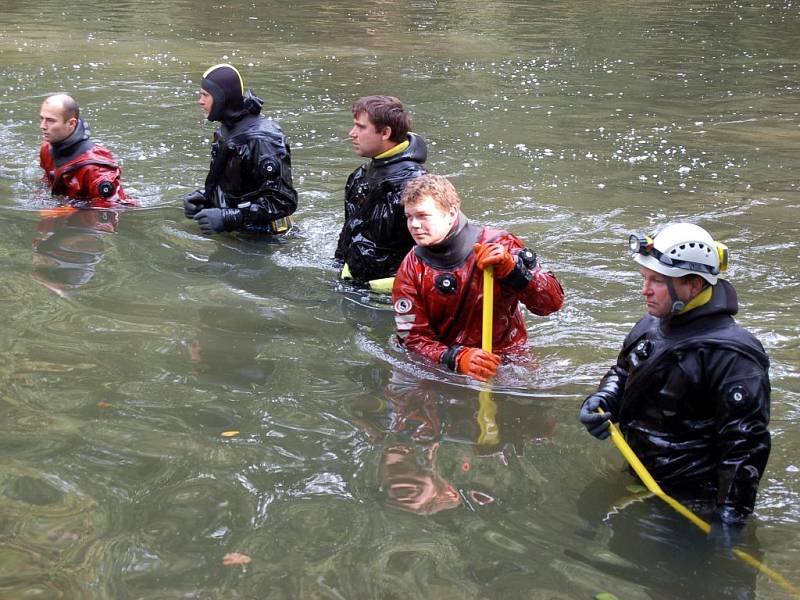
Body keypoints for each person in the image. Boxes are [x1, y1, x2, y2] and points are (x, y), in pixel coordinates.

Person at [579, 223, 771, 528]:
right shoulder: (650, 326)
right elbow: (622, 372)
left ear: (693, 286)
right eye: (644, 278)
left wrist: (731, 517)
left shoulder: (733, 357)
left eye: (656, 280)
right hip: (643, 477)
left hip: (693, 502)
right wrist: (605, 399)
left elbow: (744, 445)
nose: (645, 289)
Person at [391, 174, 564, 381]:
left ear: (451, 213)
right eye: (409, 217)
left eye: (423, 215)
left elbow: (552, 303)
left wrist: (515, 271)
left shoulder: (500, 245)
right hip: (446, 366)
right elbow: (413, 339)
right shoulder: (411, 267)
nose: (414, 225)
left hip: (508, 362)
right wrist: (454, 358)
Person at [183, 64, 297, 236]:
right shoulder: (226, 131)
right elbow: (238, 187)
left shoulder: (264, 139)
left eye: (205, 95)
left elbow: (283, 201)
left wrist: (229, 217)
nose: (200, 101)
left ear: (223, 98)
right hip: (240, 233)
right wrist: (205, 198)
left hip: (272, 241)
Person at [335, 95, 427, 289]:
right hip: (354, 283)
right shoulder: (360, 175)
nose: (352, 133)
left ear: (385, 133)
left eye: (360, 127)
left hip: (393, 296)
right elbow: (348, 233)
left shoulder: (416, 185)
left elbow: (436, 249)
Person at [39, 93, 130, 206]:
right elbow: (47, 182)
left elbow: (111, 210)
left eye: (50, 121)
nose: (42, 126)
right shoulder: (47, 148)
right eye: (41, 118)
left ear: (71, 123)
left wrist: (65, 210)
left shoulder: (96, 169)